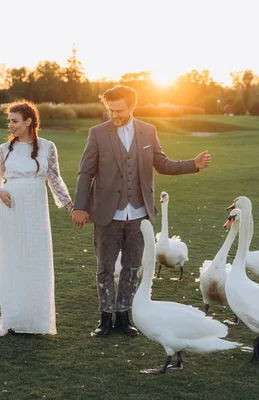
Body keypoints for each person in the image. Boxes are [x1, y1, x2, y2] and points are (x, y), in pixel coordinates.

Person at [72, 85, 212, 337]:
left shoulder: (148, 131)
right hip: (107, 215)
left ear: (132, 106)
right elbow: (86, 173)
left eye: (118, 110)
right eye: (110, 110)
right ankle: (105, 319)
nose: (113, 115)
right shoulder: (97, 134)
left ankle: (124, 317)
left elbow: (163, 164)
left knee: (132, 267)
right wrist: (80, 207)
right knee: (105, 267)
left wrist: (193, 164)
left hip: (139, 215)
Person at [0, 100, 73, 339]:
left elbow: (54, 179)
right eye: (9, 121)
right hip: (11, 209)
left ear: (29, 121)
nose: (10, 125)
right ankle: (11, 318)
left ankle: (35, 320)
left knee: (35, 259)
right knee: (12, 259)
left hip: (35, 208)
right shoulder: (4, 149)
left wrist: (69, 205)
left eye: (15, 121)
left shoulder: (47, 147)